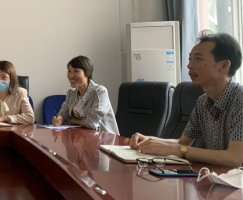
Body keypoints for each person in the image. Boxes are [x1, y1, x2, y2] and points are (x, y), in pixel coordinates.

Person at [129, 33, 243, 168]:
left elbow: (235, 158)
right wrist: (150, 140)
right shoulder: (202, 102)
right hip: (218, 176)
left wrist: (177, 150)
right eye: (190, 59)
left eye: (198, 59)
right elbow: (182, 143)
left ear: (224, 65)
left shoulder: (240, 99)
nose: (189, 65)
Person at [52, 56, 119, 135]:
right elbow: (63, 114)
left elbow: (92, 123)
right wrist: (59, 120)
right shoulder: (71, 93)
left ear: (87, 73)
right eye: (69, 71)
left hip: (103, 139)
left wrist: (71, 120)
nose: (71, 75)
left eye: (76, 71)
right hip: (82, 137)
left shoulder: (99, 92)